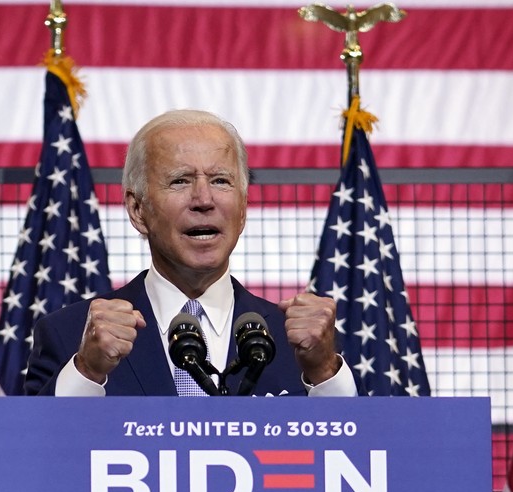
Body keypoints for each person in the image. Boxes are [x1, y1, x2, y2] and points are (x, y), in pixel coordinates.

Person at [23, 109, 358, 398]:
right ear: (138, 209)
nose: (203, 199)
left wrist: (325, 372)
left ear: (243, 209)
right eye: (180, 181)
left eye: (221, 181)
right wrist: (86, 372)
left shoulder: (302, 343)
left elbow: (365, 461)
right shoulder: (69, 336)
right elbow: (15, 467)